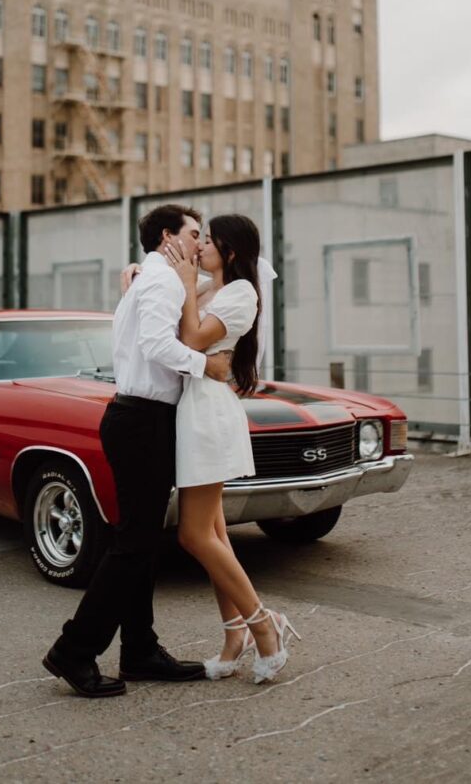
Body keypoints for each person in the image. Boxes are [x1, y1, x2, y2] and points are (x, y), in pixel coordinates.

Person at [42, 204, 233, 698]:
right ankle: (74, 651)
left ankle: (140, 650)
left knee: (139, 541)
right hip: (142, 421)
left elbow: (206, 288)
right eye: (194, 234)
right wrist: (205, 366)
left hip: (140, 419)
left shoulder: (157, 278)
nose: (199, 242)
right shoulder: (161, 283)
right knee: (132, 546)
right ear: (168, 236)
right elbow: (155, 344)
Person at [165, 214, 299, 684]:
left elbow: (192, 339)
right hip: (196, 408)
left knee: (193, 535)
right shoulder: (207, 290)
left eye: (209, 242)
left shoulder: (240, 293)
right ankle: (233, 633)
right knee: (215, 535)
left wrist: (186, 284)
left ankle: (265, 625)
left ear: (232, 252)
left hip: (209, 415)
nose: (199, 247)